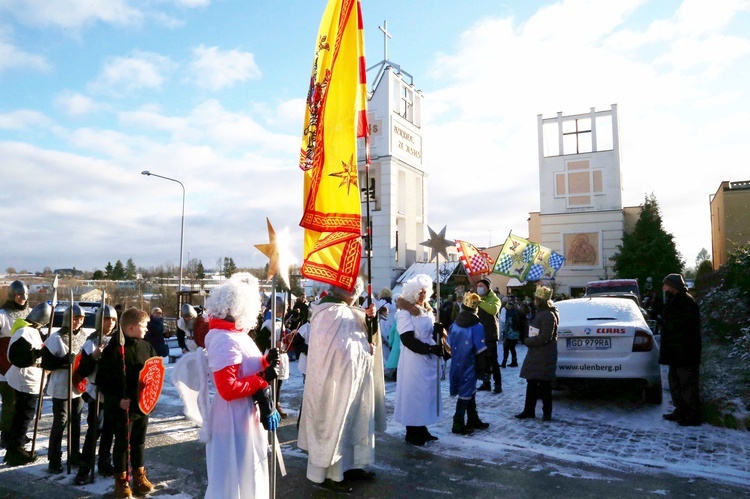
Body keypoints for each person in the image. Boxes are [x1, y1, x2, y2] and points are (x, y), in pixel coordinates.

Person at [298, 278, 385, 493]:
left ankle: (354, 465)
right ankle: (331, 474)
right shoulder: (329, 313)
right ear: (350, 292)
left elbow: (364, 337)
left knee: (355, 422)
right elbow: (339, 349)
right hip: (334, 383)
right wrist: (364, 348)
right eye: (357, 292)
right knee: (334, 421)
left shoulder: (349, 311)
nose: (357, 296)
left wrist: (371, 320)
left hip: (355, 380)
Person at [202, 272, 281, 499]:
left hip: (245, 415)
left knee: (249, 475)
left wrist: (267, 360)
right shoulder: (223, 339)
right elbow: (227, 389)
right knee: (234, 479)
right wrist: (262, 378)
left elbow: (247, 366)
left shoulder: (236, 334)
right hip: (233, 418)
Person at [96, 307, 159, 498]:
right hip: (122, 408)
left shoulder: (145, 346)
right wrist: (117, 401)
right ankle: (121, 480)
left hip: (141, 405)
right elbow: (102, 382)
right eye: (144, 326)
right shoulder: (113, 351)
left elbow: (154, 371)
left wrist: (150, 394)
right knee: (123, 444)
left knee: (139, 441)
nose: (147, 329)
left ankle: (139, 475)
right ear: (131, 327)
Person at [393, 274, 444, 446]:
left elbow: (429, 332)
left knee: (425, 396)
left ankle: (422, 428)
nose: (422, 295)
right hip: (413, 360)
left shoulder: (428, 310)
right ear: (413, 292)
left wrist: (438, 331)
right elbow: (407, 340)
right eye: (419, 292)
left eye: (425, 292)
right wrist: (428, 349)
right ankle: (412, 433)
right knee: (413, 395)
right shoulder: (405, 313)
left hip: (428, 360)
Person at [73, 304, 118, 484]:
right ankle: (85, 468)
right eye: (107, 319)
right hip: (97, 392)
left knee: (109, 430)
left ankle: (104, 462)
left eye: (113, 319)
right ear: (100, 320)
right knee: (94, 431)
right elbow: (82, 370)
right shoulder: (91, 342)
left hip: (113, 393)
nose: (110, 322)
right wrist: (94, 357)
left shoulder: (117, 340)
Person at [41, 303, 88, 474]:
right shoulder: (56, 338)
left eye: (81, 318)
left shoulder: (84, 337)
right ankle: (54, 459)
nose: (78, 321)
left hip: (78, 386)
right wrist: (63, 362)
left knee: (76, 422)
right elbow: (45, 363)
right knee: (60, 423)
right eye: (75, 318)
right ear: (68, 318)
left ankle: (74, 454)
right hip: (61, 385)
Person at [3, 302, 51, 466]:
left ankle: (16, 446)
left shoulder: (32, 331)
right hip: (26, 378)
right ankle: (14, 451)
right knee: (24, 416)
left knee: (22, 415)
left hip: (31, 377)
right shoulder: (25, 331)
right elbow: (16, 357)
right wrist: (37, 354)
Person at [659, 273, 702, 427]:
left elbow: (685, 329)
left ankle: (692, 415)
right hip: (676, 351)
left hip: (685, 351)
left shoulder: (686, 302)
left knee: (687, 383)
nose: (663, 288)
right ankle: (681, 410)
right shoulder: (675, 300)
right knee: (675, 382)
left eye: (666, 285)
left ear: (673, 286)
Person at [447, 292, 489, 435]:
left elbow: (449, 345)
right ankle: (457, 423)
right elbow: (481, 350)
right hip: (470, 364)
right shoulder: (477, 326)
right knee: (466, 393)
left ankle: (473, 419)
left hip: (457, 364)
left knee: (469, 391)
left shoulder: (454, 325)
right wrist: (484, 369)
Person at [515, 286, 558, 422]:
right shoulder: (542, 313)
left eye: (536, 298)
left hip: (543, 354)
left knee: (544, 385)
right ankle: (529, 410)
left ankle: (546, 413)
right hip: (537, 354)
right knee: (532, 382)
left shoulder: (548, 315)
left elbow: (545, 336)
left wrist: (529, 341)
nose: (534, 301)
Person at [0, 280, 30, 449]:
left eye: (25, 295)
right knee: (9, 404)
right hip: (3, 368)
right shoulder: (2, 315)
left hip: (22, 368)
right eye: (19, 294)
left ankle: (19, 433)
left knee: (22, 404)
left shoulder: (30, 314)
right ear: (13, 295)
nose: (23, 298)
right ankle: (6, 435)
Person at [257, 295, 289, 418]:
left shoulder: (280, 323)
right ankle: (271, 405)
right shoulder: (268, 323)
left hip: (281, 356)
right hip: (272, 356)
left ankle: (277, 403)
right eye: (284, 309)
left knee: (279, 382)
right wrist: (273, 344)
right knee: (271, 382)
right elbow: (260, 341)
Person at [476, 277, 502, 393]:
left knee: (493, 361)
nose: (479, 288)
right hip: (480, 334)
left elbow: (493, 310)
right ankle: (486, 383)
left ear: (487, 287)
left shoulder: (494, 299)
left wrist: (480, 302)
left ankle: (498, 384)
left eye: (481, 286)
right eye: (478, 286)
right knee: (483, 361)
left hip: (490, 334)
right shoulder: (477, 299)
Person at [501, 301, 520, 368]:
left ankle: (504, 362)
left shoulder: (509, 314)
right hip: (516, 333)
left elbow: (507, 325)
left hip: (509, 334)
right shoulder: (516, 313)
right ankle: (514, 362)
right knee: (512, 348)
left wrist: (503, 332)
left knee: (506, 348)